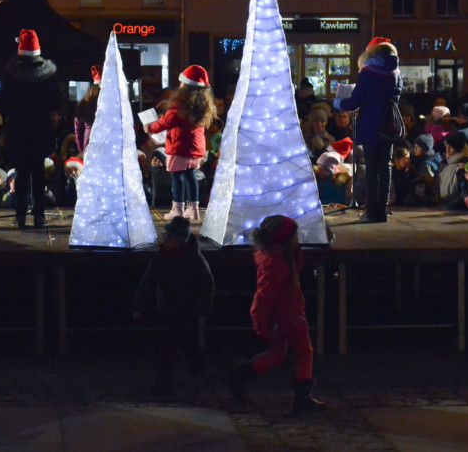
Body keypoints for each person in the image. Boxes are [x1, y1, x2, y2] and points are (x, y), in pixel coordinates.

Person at [226, 214, 324, 414]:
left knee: (277, 353)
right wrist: (259, 321)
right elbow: (264, 296)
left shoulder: (274, 256)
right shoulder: (277, 264)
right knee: (305, 352)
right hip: (290, 317)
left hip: (282, 317)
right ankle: (301, 397)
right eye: (295, 237)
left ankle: (240, 376)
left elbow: (294, 269)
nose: (298, 239)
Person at [132, 216, 214, 396]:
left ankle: (196, 365)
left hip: (188, 311)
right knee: (166, 345)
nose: (164, 241)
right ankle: (163, 380)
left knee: (188, 343)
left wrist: (202, 310)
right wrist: (140, 306)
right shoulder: (161, 258)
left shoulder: (194, 260)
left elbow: (206, 286)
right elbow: (148, 282)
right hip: (168, 308)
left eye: (169, 238)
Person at [0, 29, 62, 229]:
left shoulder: (11, 73)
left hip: (18, 128)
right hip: (40, 127)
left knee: (21, 173)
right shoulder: (48, 74)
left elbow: (3, 101)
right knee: (38, 173)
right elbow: (56, 101)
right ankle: (39, 216)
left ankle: (20, 216)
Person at [336, 37, 402, 223]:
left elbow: (355, 101)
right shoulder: (396, 73)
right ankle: (382, 210)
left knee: (373, 169)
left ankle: (371, 212)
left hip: (371, 125)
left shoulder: (369, 72)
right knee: (385, 167)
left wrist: (340, 102)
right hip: (389, 126)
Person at [146, 65, 218, 223]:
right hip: (196, 148)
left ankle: (177, 209)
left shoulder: (179, 107)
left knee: (177, 177)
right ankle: (193, 209)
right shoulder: (202, 107)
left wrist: (149, 127)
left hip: (179, 147)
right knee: (190, 176)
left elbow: (165, 122)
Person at [73, 66, 101, 154]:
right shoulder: (109, 101)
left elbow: (78, 129)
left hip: (88, 147)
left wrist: (81, 149)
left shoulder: (83, 104)